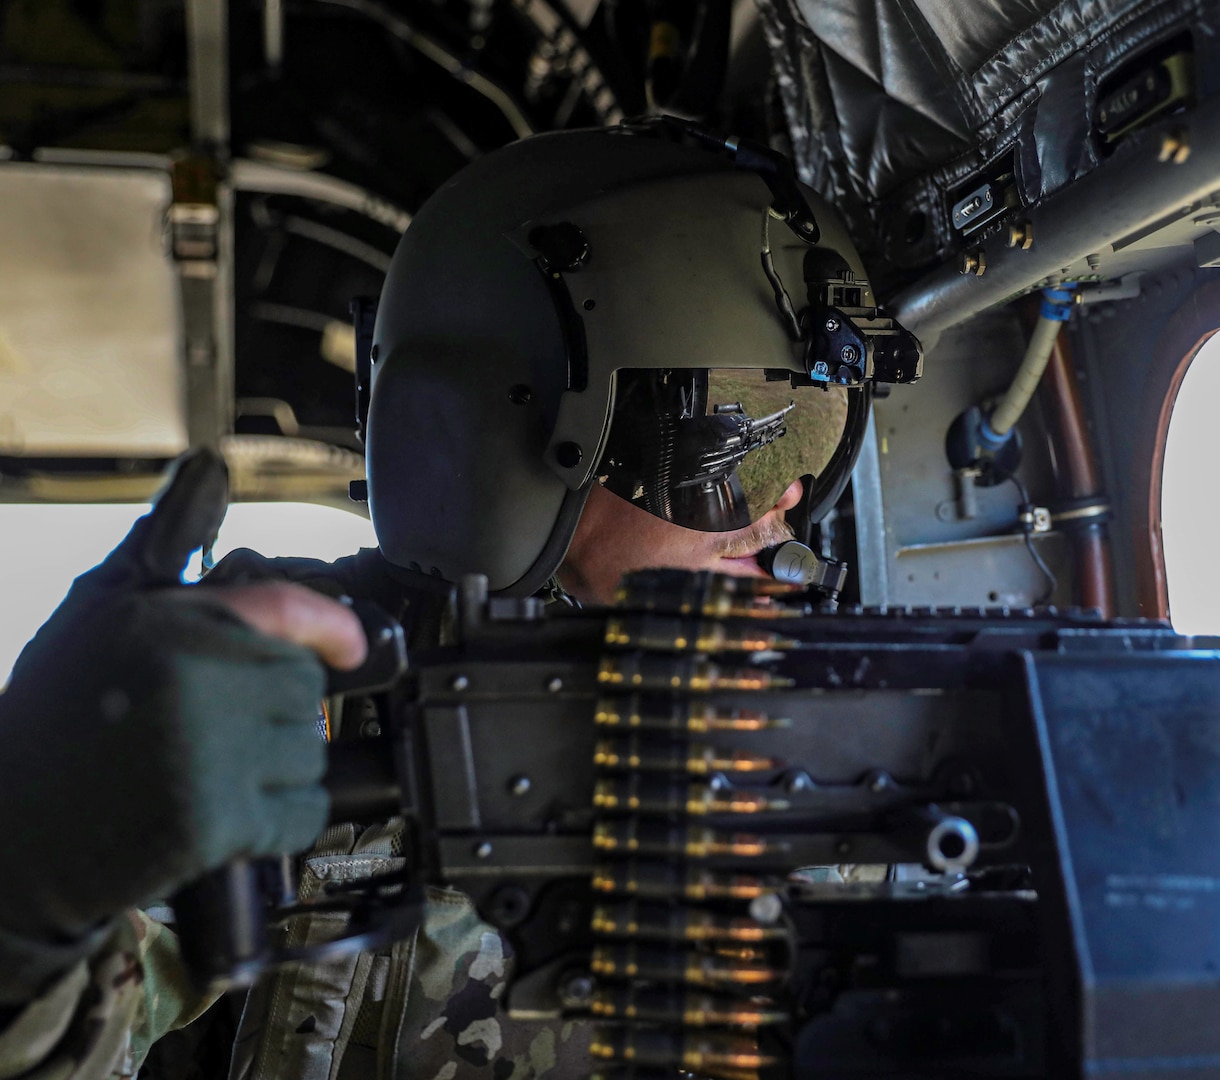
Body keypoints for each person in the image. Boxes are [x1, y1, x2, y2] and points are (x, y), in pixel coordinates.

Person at [0, 122, 919, 1080]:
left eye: (815, 440)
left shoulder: (836, 748)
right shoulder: (281, 702)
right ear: (497, 429)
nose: (783, 501)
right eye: (727, 446)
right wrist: (28, 887)